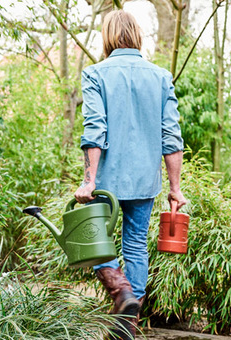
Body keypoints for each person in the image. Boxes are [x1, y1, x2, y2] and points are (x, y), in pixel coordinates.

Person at [74, 10, 187, 339]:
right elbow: (171, 136)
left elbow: (95, 128)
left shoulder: (96, 73)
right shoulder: (160, 76)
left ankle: (122, 294)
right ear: (137, 35)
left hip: (107, 182)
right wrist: (175, 189)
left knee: (93, 242)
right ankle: (129, 323)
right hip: (143, 181)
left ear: (107, 36)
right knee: (136, 246)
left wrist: (89, 180)